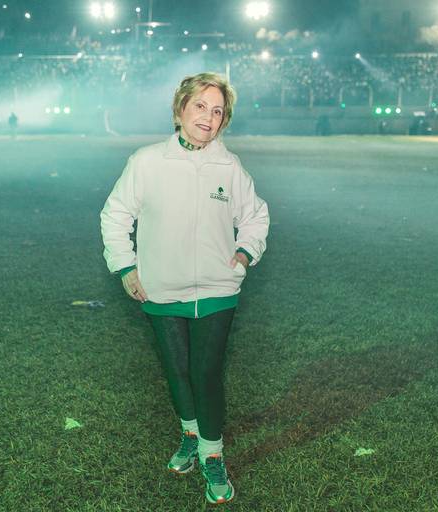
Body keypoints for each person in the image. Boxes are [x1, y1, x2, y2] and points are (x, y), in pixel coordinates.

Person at [100, 72, 269, 505]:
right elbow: (115, 215)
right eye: (200, 106)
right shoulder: (147, 161)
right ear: (180, 110)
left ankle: (213, 454)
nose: (208, 117)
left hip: (217, 289)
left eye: (218, 111)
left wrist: (244, 254)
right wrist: (125, 266)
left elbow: (255, 216)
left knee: (206, 373)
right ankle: (190, 435)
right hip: (160, 288)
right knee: (176, 370)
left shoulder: (229, 167)